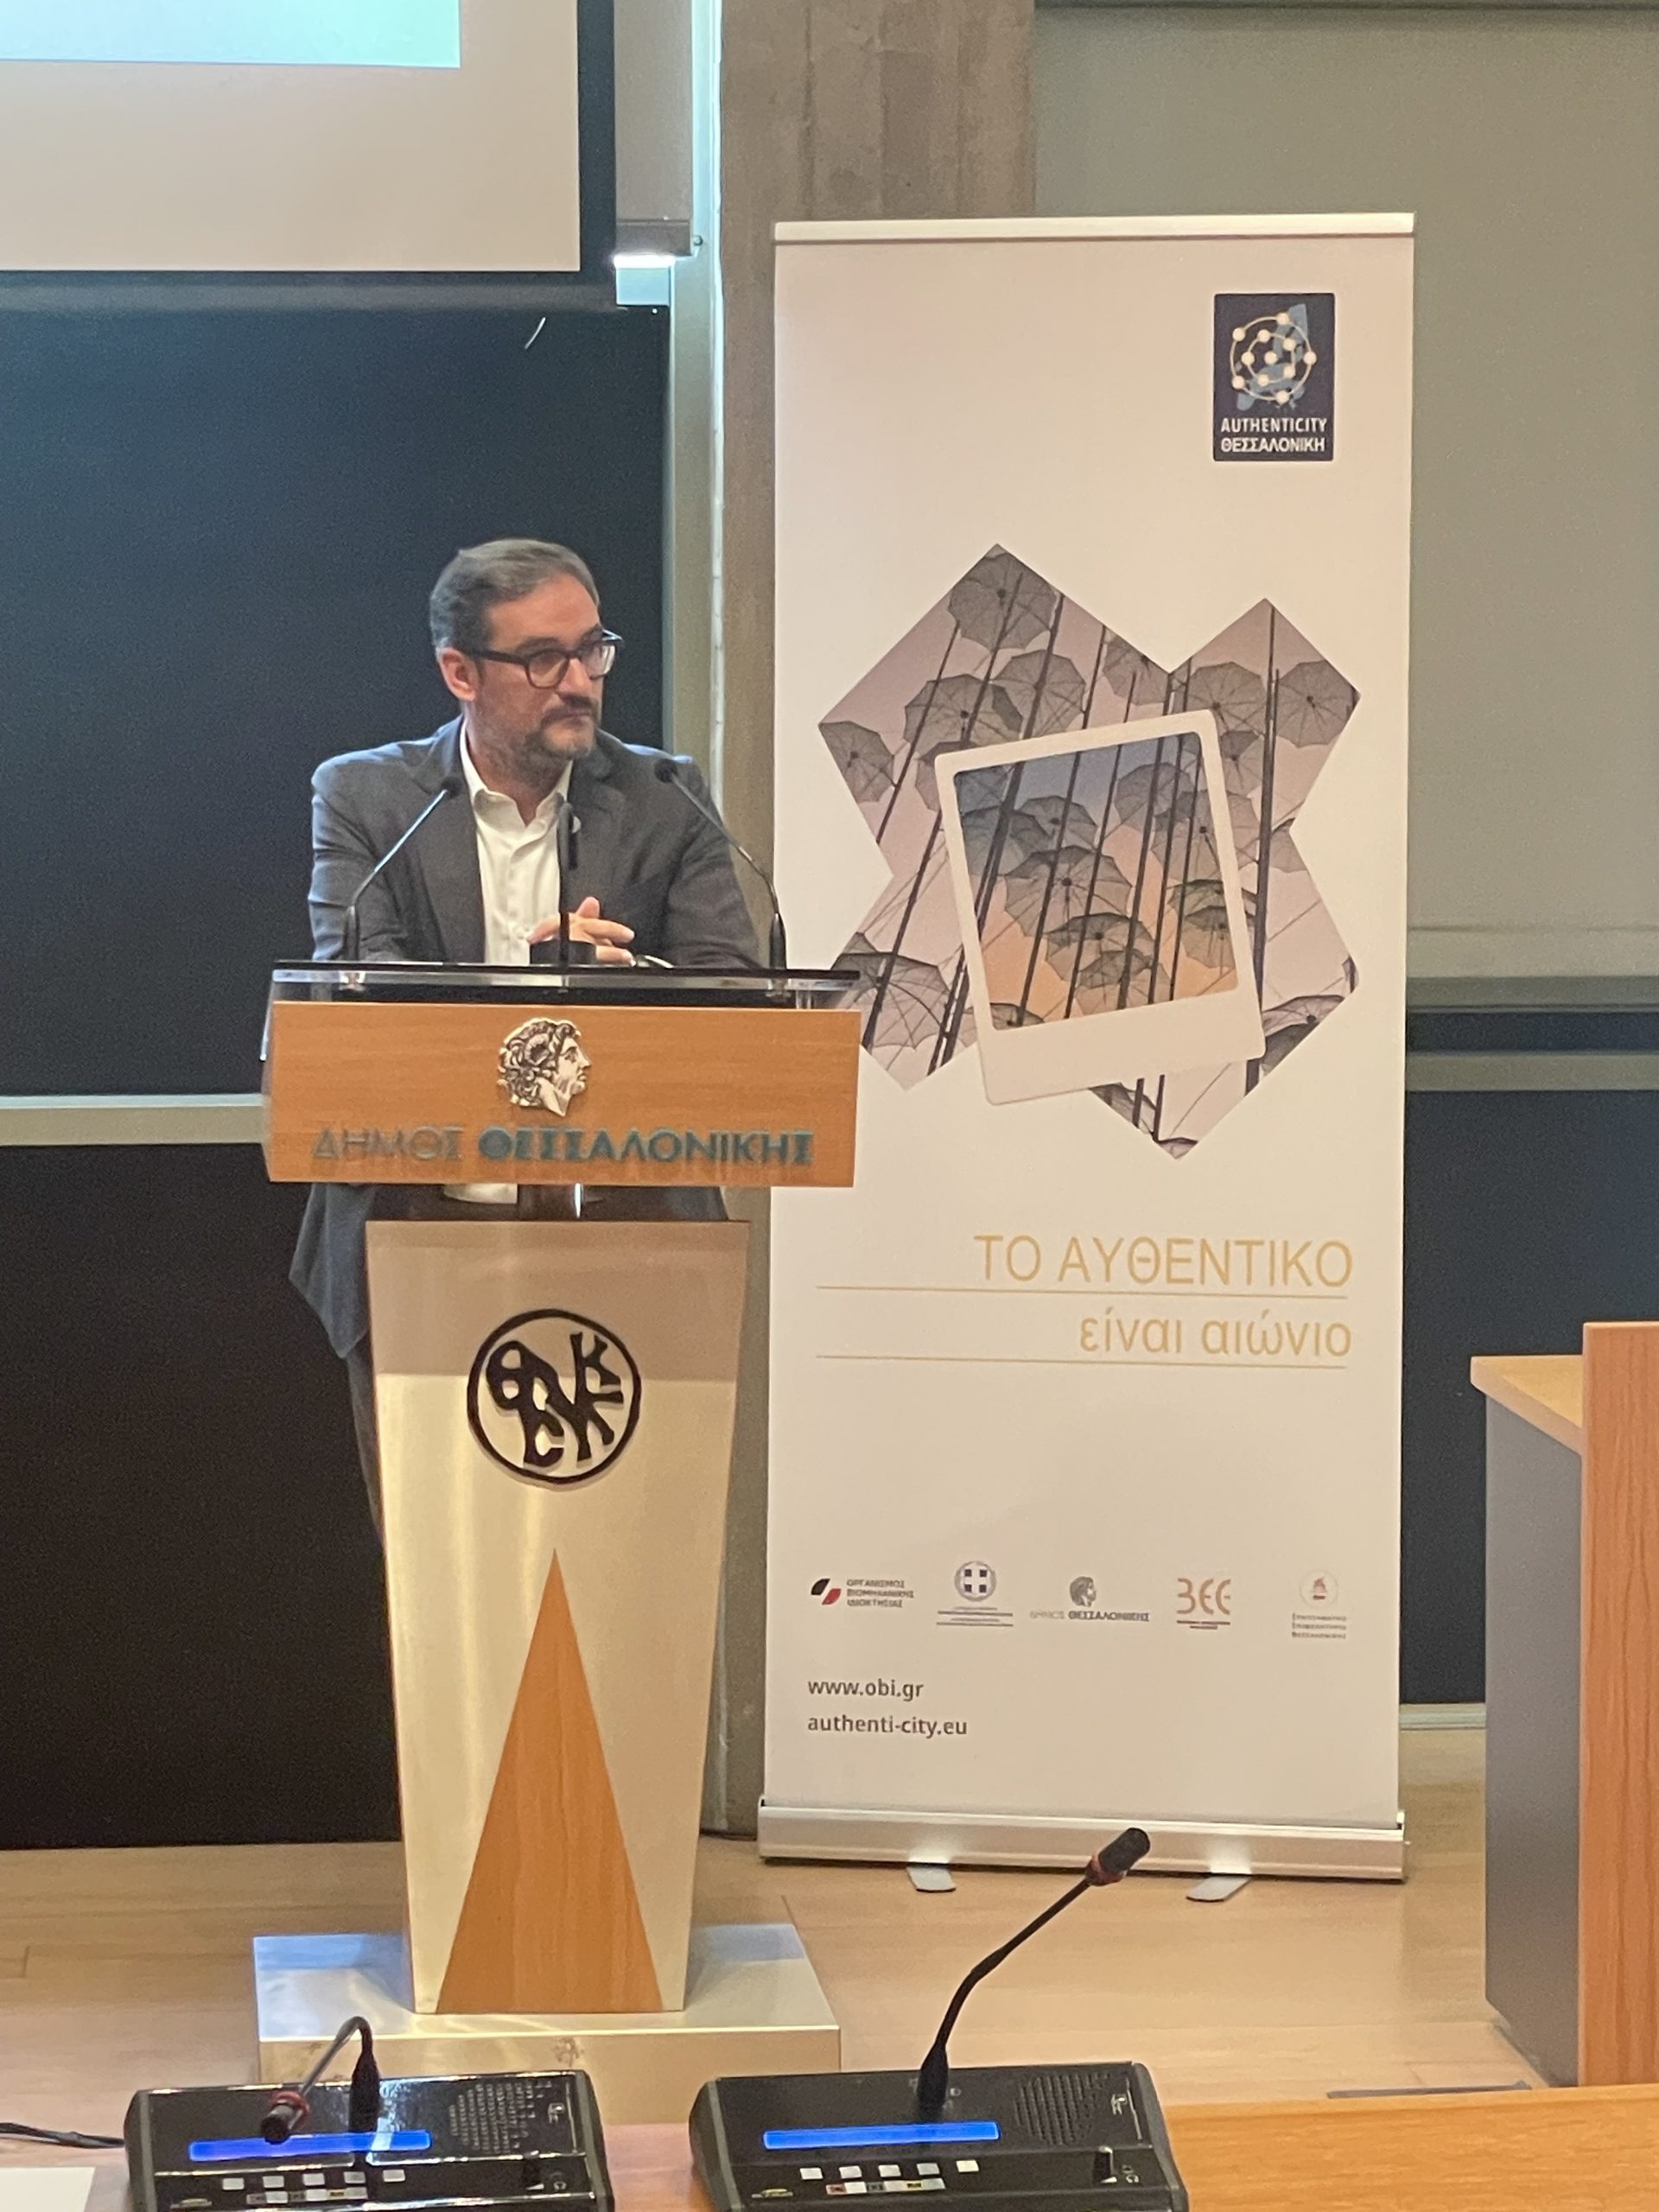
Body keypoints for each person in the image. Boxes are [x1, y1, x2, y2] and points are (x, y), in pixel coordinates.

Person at [289, 537, 758, 1519]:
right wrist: (534, 995)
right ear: (460, 672)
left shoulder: (666, 797)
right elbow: (360, 993)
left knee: (636, 1561)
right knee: (439, 1572)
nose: (579, 682)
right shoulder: (369, 798)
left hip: (636, 1237)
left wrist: (627, 980)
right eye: (544, 658)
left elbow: (732, 996)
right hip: (420, 1237)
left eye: (593, 650)